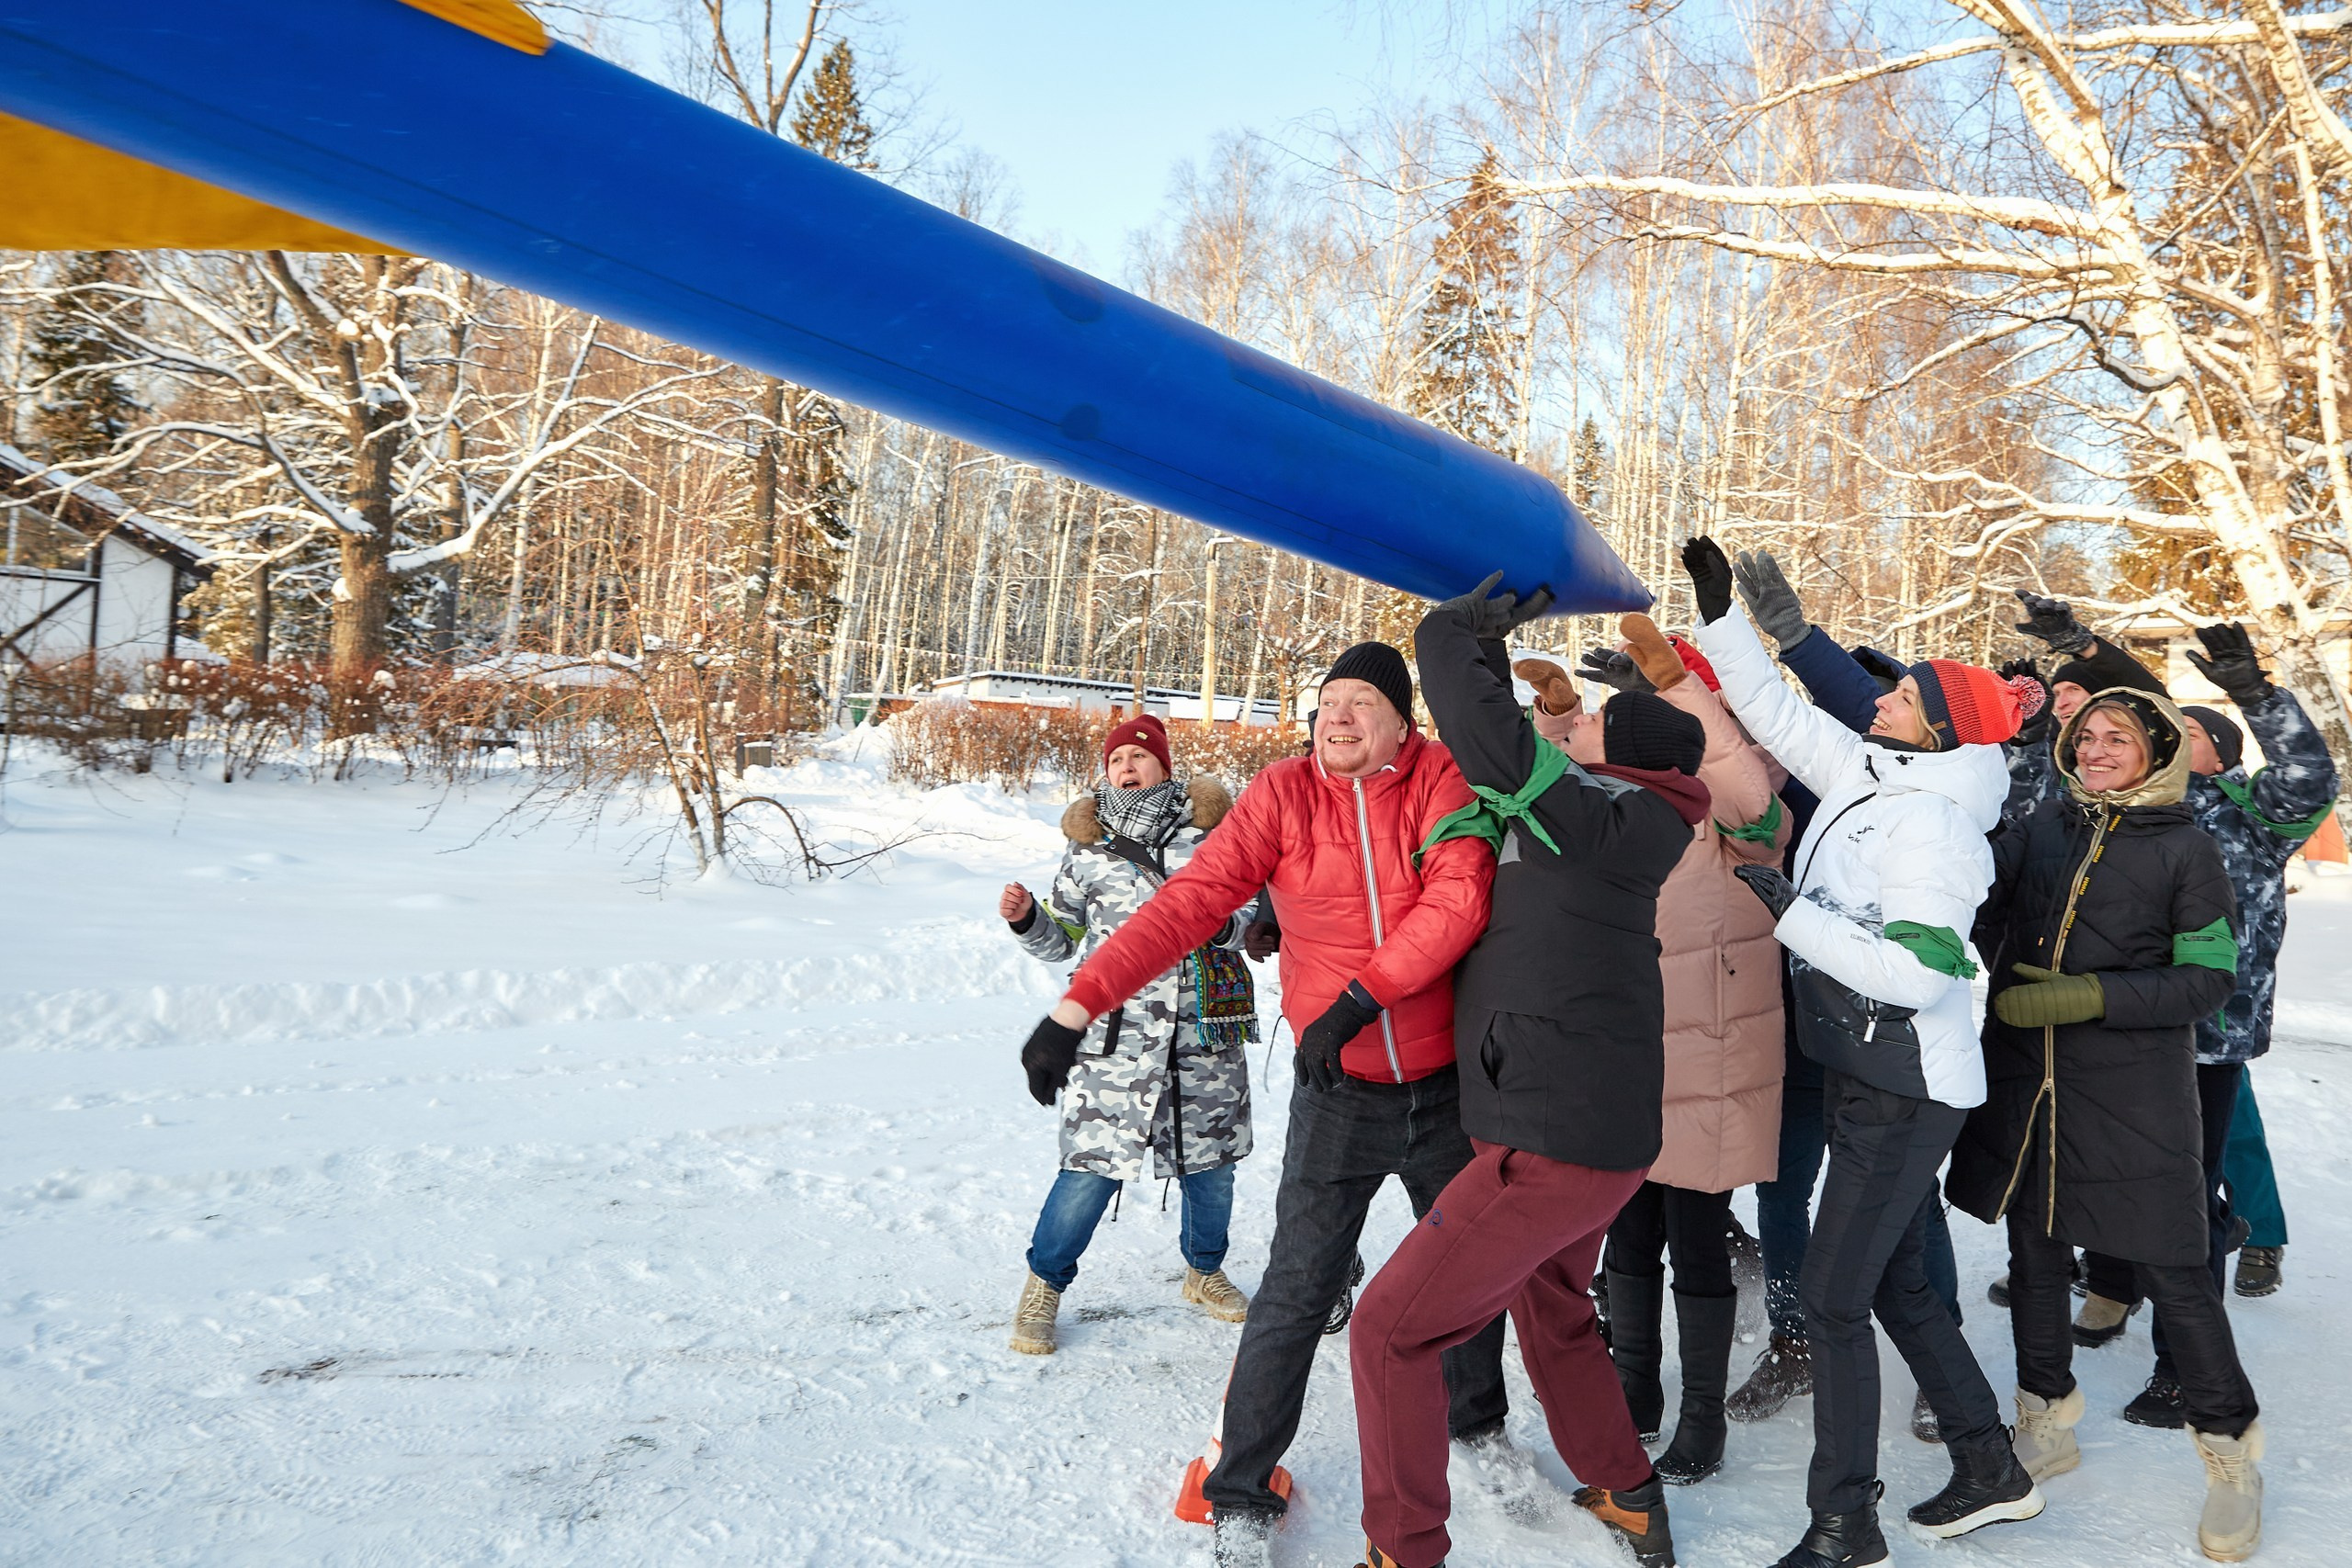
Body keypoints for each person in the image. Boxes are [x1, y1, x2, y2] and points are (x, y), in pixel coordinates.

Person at [1012, 640, 1506, 1568]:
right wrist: (1077, 1005)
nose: (1340, 716)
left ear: (1404, 721)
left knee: (1464, 1275)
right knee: (1294, 1288)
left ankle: (1480, 1428)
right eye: (1329, 702)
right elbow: (1189, 904)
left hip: (1447, 1086)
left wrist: (1360, 997)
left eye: (1363, 701)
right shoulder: (1281, 795)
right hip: (1339, 1094)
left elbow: (1459, 899)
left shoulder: (1442, 780)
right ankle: (1241, 1495)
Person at [1687, 536, 2046, 1567]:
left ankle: (1843, 1523)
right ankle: (1988, 1463)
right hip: (1860, 1066)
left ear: (1941, 727)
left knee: (1839, 1298)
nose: (1878, 696)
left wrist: (1792, 917)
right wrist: (1723, 621)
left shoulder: (1938, 829)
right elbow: (1778, 714)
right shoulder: (1872, 769)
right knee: (1891, 1285)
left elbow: (1921, 975)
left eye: (1904, 695)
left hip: (1906, 1082)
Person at [1347, 576, 1706, 1568]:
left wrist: (1453, 631)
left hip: (1552, 1143)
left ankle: (1403, 1550)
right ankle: (1627, 1491)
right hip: (1584, 1133)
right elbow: (1519, 754)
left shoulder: (1598, 820)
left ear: (1619, 756)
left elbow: (1492, 741)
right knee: (1552, 1309)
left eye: (1591, 726)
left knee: (1387, 1334)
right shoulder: (1625, 818)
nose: (1574, 729)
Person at [1948, 684, 2265, 1562]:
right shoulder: (2044, 826)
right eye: (2085, 736)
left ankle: (2232, 1454)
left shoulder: (2188, 847)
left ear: (2156, 750)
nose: (2093, 749)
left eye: (2116, 737)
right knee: (2035, 1254)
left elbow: (2208, 979)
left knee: (2175, 1264)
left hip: (2133, 1090)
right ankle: (2045, 1412)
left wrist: (2087, 995)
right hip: (2028, 1082)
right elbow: (1978, 898)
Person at [1715, 548, 1968, 1440]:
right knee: (1784, 1186)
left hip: (1881, 1029)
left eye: (1878, 705)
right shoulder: (1811, 772)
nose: (1855, 720)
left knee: (1907, 1204)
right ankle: (1794, 1341)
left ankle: (1944, 1364)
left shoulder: (1925, 800)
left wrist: (1793, 640)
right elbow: (1766, 722)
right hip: (1797, 1019)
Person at [2070, 625, 2335, 1417]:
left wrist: (2255, 695)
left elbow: (2307, 773)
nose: (2174, 744)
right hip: (2116, 1028)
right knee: (2110, 1174)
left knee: (2186, 1200)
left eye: (2191, 735)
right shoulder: (2121, 808)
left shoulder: (2253, 815)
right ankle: (2113, 1283)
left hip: (2206, 1040)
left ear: (2219, 753)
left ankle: (2182, 1365)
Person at [1564, 615, 1789, 1484]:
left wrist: (1677, 689)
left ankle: (1701, 1414)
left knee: (1695, 1236)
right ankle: (1635, 1389)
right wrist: (1557, 712)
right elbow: (1558, 765)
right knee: (1625, 1230)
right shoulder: (1615, 795)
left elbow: (1748, 798)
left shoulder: (1742, 797)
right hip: (1629, 1042)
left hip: (1713, 1047)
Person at [998, 714, 1258, 1354]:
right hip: (1115, 1031)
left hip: (1204, 1023)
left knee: (1211, 1163)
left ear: (1165, 767)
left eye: (1140, 757)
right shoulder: (1086, 849)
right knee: (1090, 1164)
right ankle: (1044, 1283)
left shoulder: (1212, 834)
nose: (1127, 766)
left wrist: (1225, 924)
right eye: (1117, 759)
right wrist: (1030, 918)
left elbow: (1250, 906)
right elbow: (1063, 941)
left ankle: (1203, 1270)